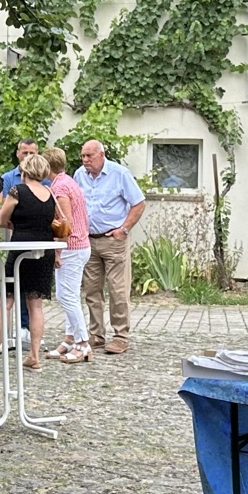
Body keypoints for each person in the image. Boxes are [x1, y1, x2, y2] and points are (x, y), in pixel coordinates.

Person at [0, 151, 56, 372]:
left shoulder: (18, 190)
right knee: (35, 305)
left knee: (4, 302)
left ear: (25, 171)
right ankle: (34, 356)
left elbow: (3, 220)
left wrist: (15, 224)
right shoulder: (49, 193)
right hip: (44, 251)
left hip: (20, 250)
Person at [76, 140, 146, 355]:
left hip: (113, 240)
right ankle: (96, 334)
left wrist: (124, 229)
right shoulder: (79, 175)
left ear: (102, 155)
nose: (86, 160)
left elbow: (139, 203)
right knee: (92, 290)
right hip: (89, 239)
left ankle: (120, 336)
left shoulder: (119, 174)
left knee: (118, 290)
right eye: (83, 156)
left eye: (90, 156)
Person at [43, 148, 93, 365]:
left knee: (66, 296)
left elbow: (65, 223)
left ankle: (83, 342)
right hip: (80, 244)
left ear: (47, 166)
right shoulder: (68, 182)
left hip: (71, 247)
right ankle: (70, 339)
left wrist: (56, 249)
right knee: (69, 294)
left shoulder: (60, 187)